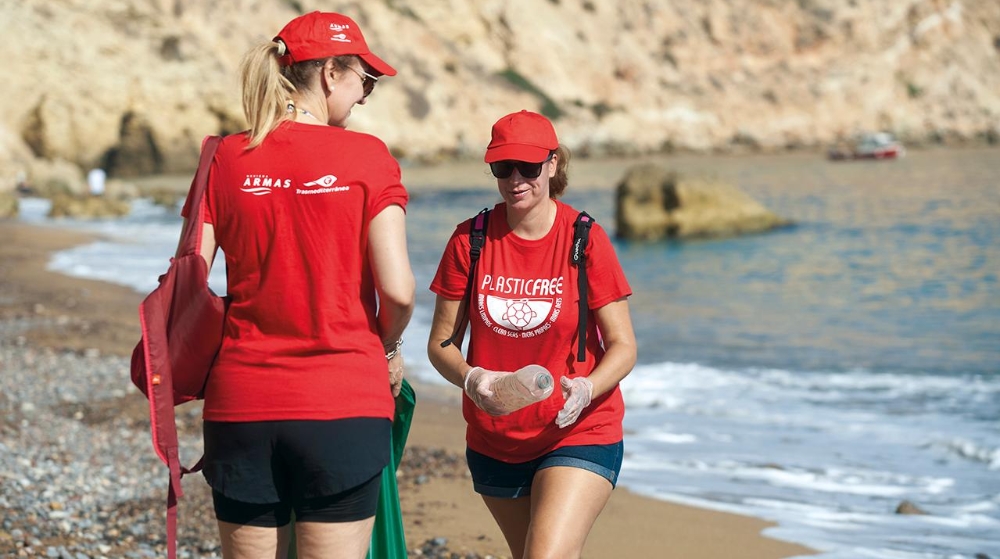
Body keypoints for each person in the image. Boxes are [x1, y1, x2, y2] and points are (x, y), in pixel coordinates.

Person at [177, 11, 414, 559]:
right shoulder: (367, 156)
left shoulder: (223, 157)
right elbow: (398, 290)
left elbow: (191, 274)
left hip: (242, 403)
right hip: (342, 400)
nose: (364, 96)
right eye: (365, 80)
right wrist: (390, 347)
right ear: (331, 73)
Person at [427, 110, 637, 558]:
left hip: (579, 428)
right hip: (495, 436)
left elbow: (623, 346)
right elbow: (442, 343)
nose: (516, 179)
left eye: (529, 167)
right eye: (504, 168)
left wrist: (585, 388)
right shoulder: (471, 241)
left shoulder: (585, 239)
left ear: (554, 164)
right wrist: (471, 378)